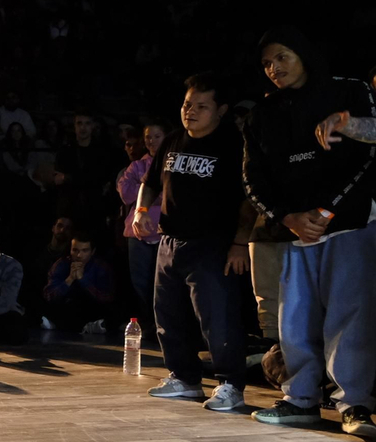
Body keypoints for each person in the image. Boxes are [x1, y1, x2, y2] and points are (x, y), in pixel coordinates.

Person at [243, 27, 376, 434]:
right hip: (295, 231)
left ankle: (353, 405)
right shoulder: (262, 114)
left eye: (282, 57)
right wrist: (287, 217)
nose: (274, 68)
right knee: (294, 319)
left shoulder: (349, 91)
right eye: (267, 62)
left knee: (350, 316)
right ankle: (299, 399)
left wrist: (347, 123)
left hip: (349, 225)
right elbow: (253, 179)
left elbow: (371, 152)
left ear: (303, 53)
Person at [139, 73, 255, 413]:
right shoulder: (173, 140)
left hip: (213, 243)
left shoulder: (234, 144)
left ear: (220, 110)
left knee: (217, 317)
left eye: (201, 106)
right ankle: (184, 377)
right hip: (170, 240)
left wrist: (238, 244)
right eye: (187, 104)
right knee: (168, 314)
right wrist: (141, 209)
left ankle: (231, 383)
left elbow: (248, 199)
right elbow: (149, 181)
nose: (190, 111)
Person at [119, 121, 166, 324]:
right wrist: (149, 193)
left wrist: (147, 191)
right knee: (140, 283)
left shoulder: (171, 163)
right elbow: (126, 194)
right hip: (138, 233)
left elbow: (169, 195)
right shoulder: (137, 165)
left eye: (157, 136)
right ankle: (146, 324)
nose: (152, 141)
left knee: (163, 283)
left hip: (164, 231)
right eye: (148, 137)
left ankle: (163, 323)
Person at [40, 233, 115, 334]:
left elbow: (106, 298)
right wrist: (70, 279)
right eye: (75, 250)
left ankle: (82, 326)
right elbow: (49, 295)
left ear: (92, 252)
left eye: (85, 251)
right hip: (65, 307)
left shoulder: (100, 267)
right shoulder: (61, 264)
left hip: (92, 308)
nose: (79, 255)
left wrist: (82, 279)